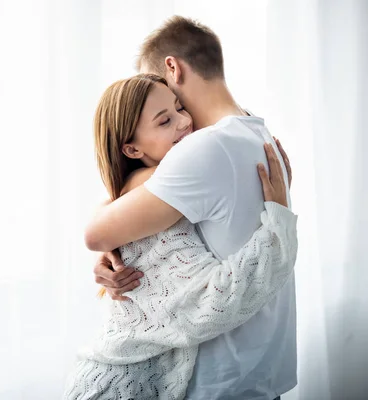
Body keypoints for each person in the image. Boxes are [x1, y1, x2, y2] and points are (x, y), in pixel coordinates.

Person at [86, 17, 296, 400]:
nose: (181, 121)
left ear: (172, 68)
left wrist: (108, 240)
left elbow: (97, 231)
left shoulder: (204, 148)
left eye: (171, 103)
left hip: (219, 377)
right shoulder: (257, 132)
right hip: (263, 367)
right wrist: (114, 246)